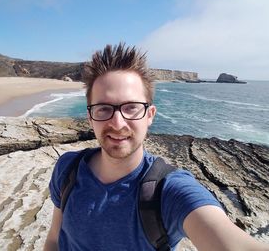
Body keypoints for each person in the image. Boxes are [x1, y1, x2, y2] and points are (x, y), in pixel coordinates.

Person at [44, 43, 268, 251]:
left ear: (150, 115)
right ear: (90, 117)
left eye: (131, 107)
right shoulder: (67, 169)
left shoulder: (168, 192)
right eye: (103, 108)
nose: (117, 123)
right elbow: (55, 238)